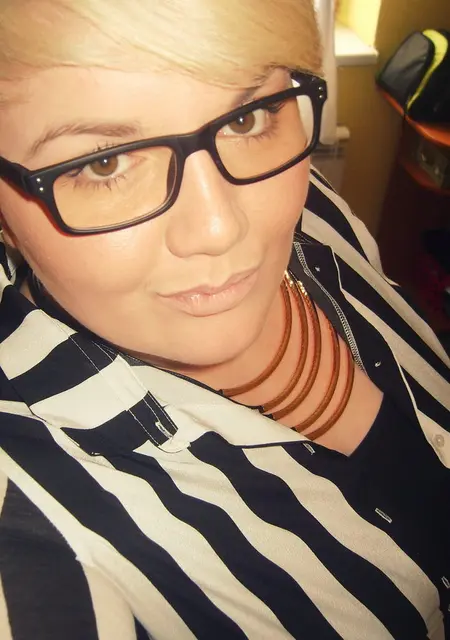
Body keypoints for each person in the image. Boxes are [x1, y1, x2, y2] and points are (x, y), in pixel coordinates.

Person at [0, 0, 448, 638]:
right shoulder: (36, 520)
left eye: (248, 117)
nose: (221, 228)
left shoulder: (312, 207)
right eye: (104, 163)